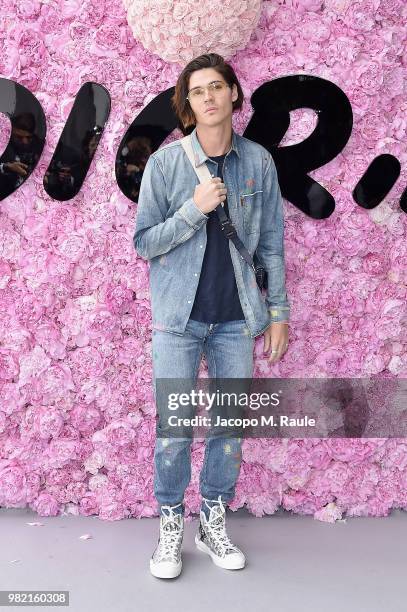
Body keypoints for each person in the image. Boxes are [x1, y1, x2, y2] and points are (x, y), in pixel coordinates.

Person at [133, 52, 290, 579]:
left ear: (233, 95)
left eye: (217, 86)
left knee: (229, 427)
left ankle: (213, 519)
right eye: (198, 91)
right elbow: (144, 242)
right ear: (187, 105)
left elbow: (270, 242)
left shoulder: (259, 163)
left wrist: (278, 311)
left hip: (237, 319)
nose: (208, 97)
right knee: (175, 428)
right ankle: (171, 526)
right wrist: (192, 210)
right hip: (178, 319)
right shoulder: (165, 165)